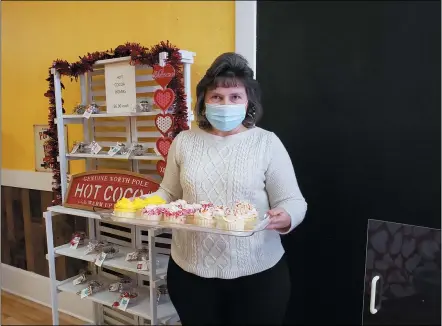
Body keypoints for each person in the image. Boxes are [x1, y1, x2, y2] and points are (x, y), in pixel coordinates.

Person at [151, 52, 307, 325]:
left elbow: (293, 200)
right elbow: (169, 193)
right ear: (204, 101)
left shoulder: (267, 143)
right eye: (216, 97)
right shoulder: (184, 141)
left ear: (249, 103)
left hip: (258, 275)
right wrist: (147, 204)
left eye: (235, 97)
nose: (225, 104)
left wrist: (287, 216)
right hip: (190, 273)